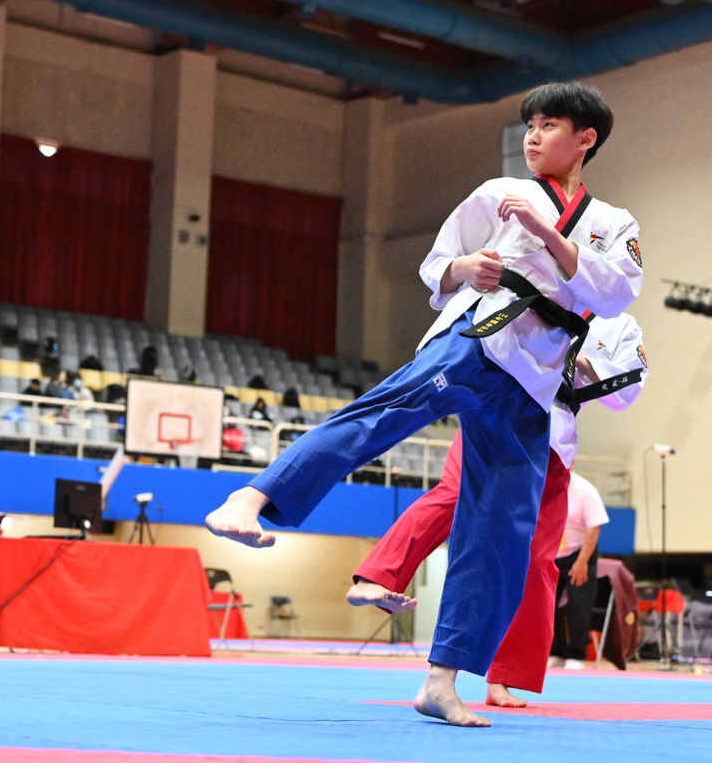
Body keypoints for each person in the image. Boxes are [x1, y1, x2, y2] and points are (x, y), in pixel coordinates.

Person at [206, 81, 641, 727]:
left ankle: (442, 680)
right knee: (381, 414)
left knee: (502, 531)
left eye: (548, 125)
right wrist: (465, 269)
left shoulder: (614, 223)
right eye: (529, 125)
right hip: (478, 338)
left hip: (534, 383)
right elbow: (437, 264)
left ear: (586, 138)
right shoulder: (498, 193)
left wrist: (545, 233)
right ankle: (251, 498)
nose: (532, 136)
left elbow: (615, 295)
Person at [347, 312, 645, 707]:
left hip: (555, 438)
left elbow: (628, 390)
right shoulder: (542, 291)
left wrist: (576, 362)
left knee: (537, 558)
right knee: (453, 495)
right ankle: (377, 576)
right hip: (496, 410)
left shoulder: (621, 325)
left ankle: (505, 676)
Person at [549, 472, 610, 669]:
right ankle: (553, 651)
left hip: (580, 553)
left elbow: (594, 527)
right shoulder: (544, 484)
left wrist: (582, 561)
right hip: (551, 552)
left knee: (579, 605)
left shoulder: (585, 490)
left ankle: (577, 654)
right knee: (547, 605)